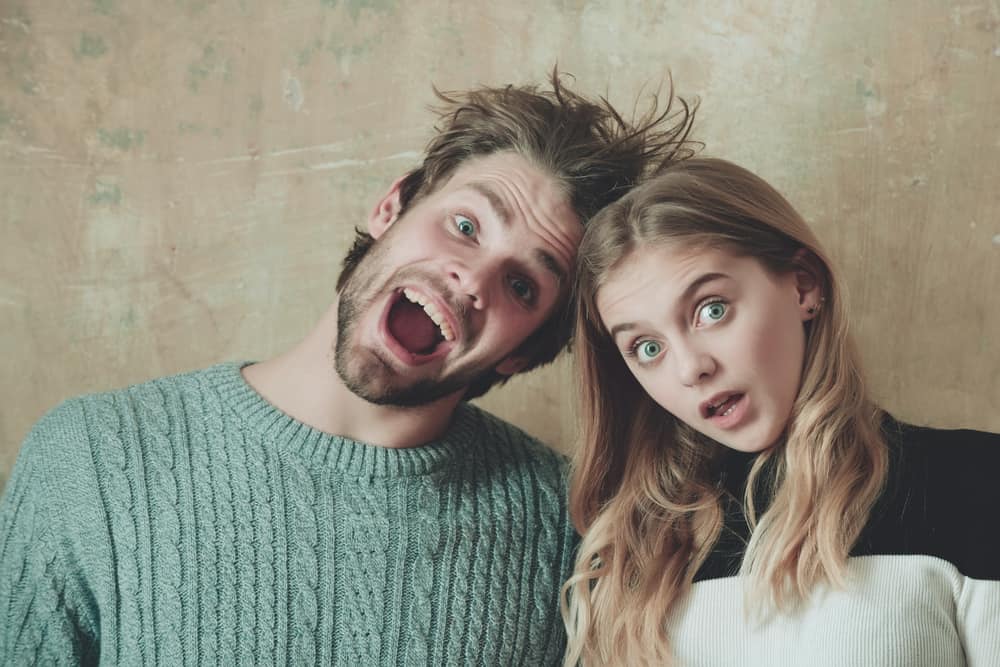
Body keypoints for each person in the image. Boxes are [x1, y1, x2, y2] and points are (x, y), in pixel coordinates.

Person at [0, 72, 696, 665]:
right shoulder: (90, 459)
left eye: (522, 286)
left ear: (523, 352)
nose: (472, 277)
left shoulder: (569, 524)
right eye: (464, 225)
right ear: (390, 207)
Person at [562, 157, 1000, 666]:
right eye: (646, 347)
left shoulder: (975, 481)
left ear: (803, 285)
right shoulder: (624, 557)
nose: (689, 368)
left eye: (712, 310)